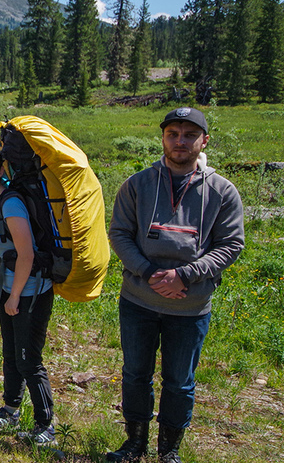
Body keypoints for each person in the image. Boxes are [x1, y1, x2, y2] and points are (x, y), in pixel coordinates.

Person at [106, 108, 244, 463]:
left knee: (179, 380)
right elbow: (119, 233)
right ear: (163, 138)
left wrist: (183, 275)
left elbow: (231, 244)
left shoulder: (223, 191)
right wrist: (149, 272)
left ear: (204, 140)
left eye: (189, 135)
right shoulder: (137, 184)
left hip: (190, 305)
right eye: (173, 134)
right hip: (138, 299)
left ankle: (169, 451)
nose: (180, 141)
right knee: (135, 373)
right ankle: (134, 444)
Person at [0, 144, 57, 445]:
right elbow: (0, 243)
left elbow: (26, 254)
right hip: (10, 287)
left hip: (30, 290)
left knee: (28, 359)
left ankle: (46, 426)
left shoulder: (11, 203)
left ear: (2, 170)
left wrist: (15, 297)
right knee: (11, 354)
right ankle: (10, 409)